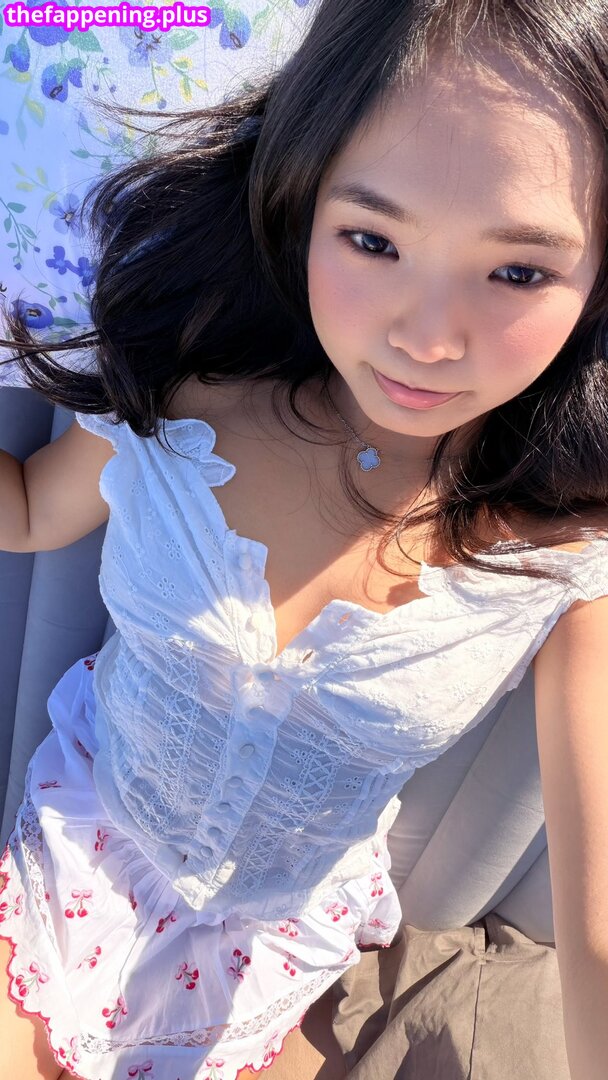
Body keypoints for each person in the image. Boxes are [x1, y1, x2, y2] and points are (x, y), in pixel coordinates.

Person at [1, 0, 608, 1076]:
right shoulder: (192, 385)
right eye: (372, 240)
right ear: (301, 201)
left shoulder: (565, 553)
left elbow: (597, 926)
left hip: (274, 942)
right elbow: (29, 512)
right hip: (79, 850)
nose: (426, 337)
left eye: (517, 271)